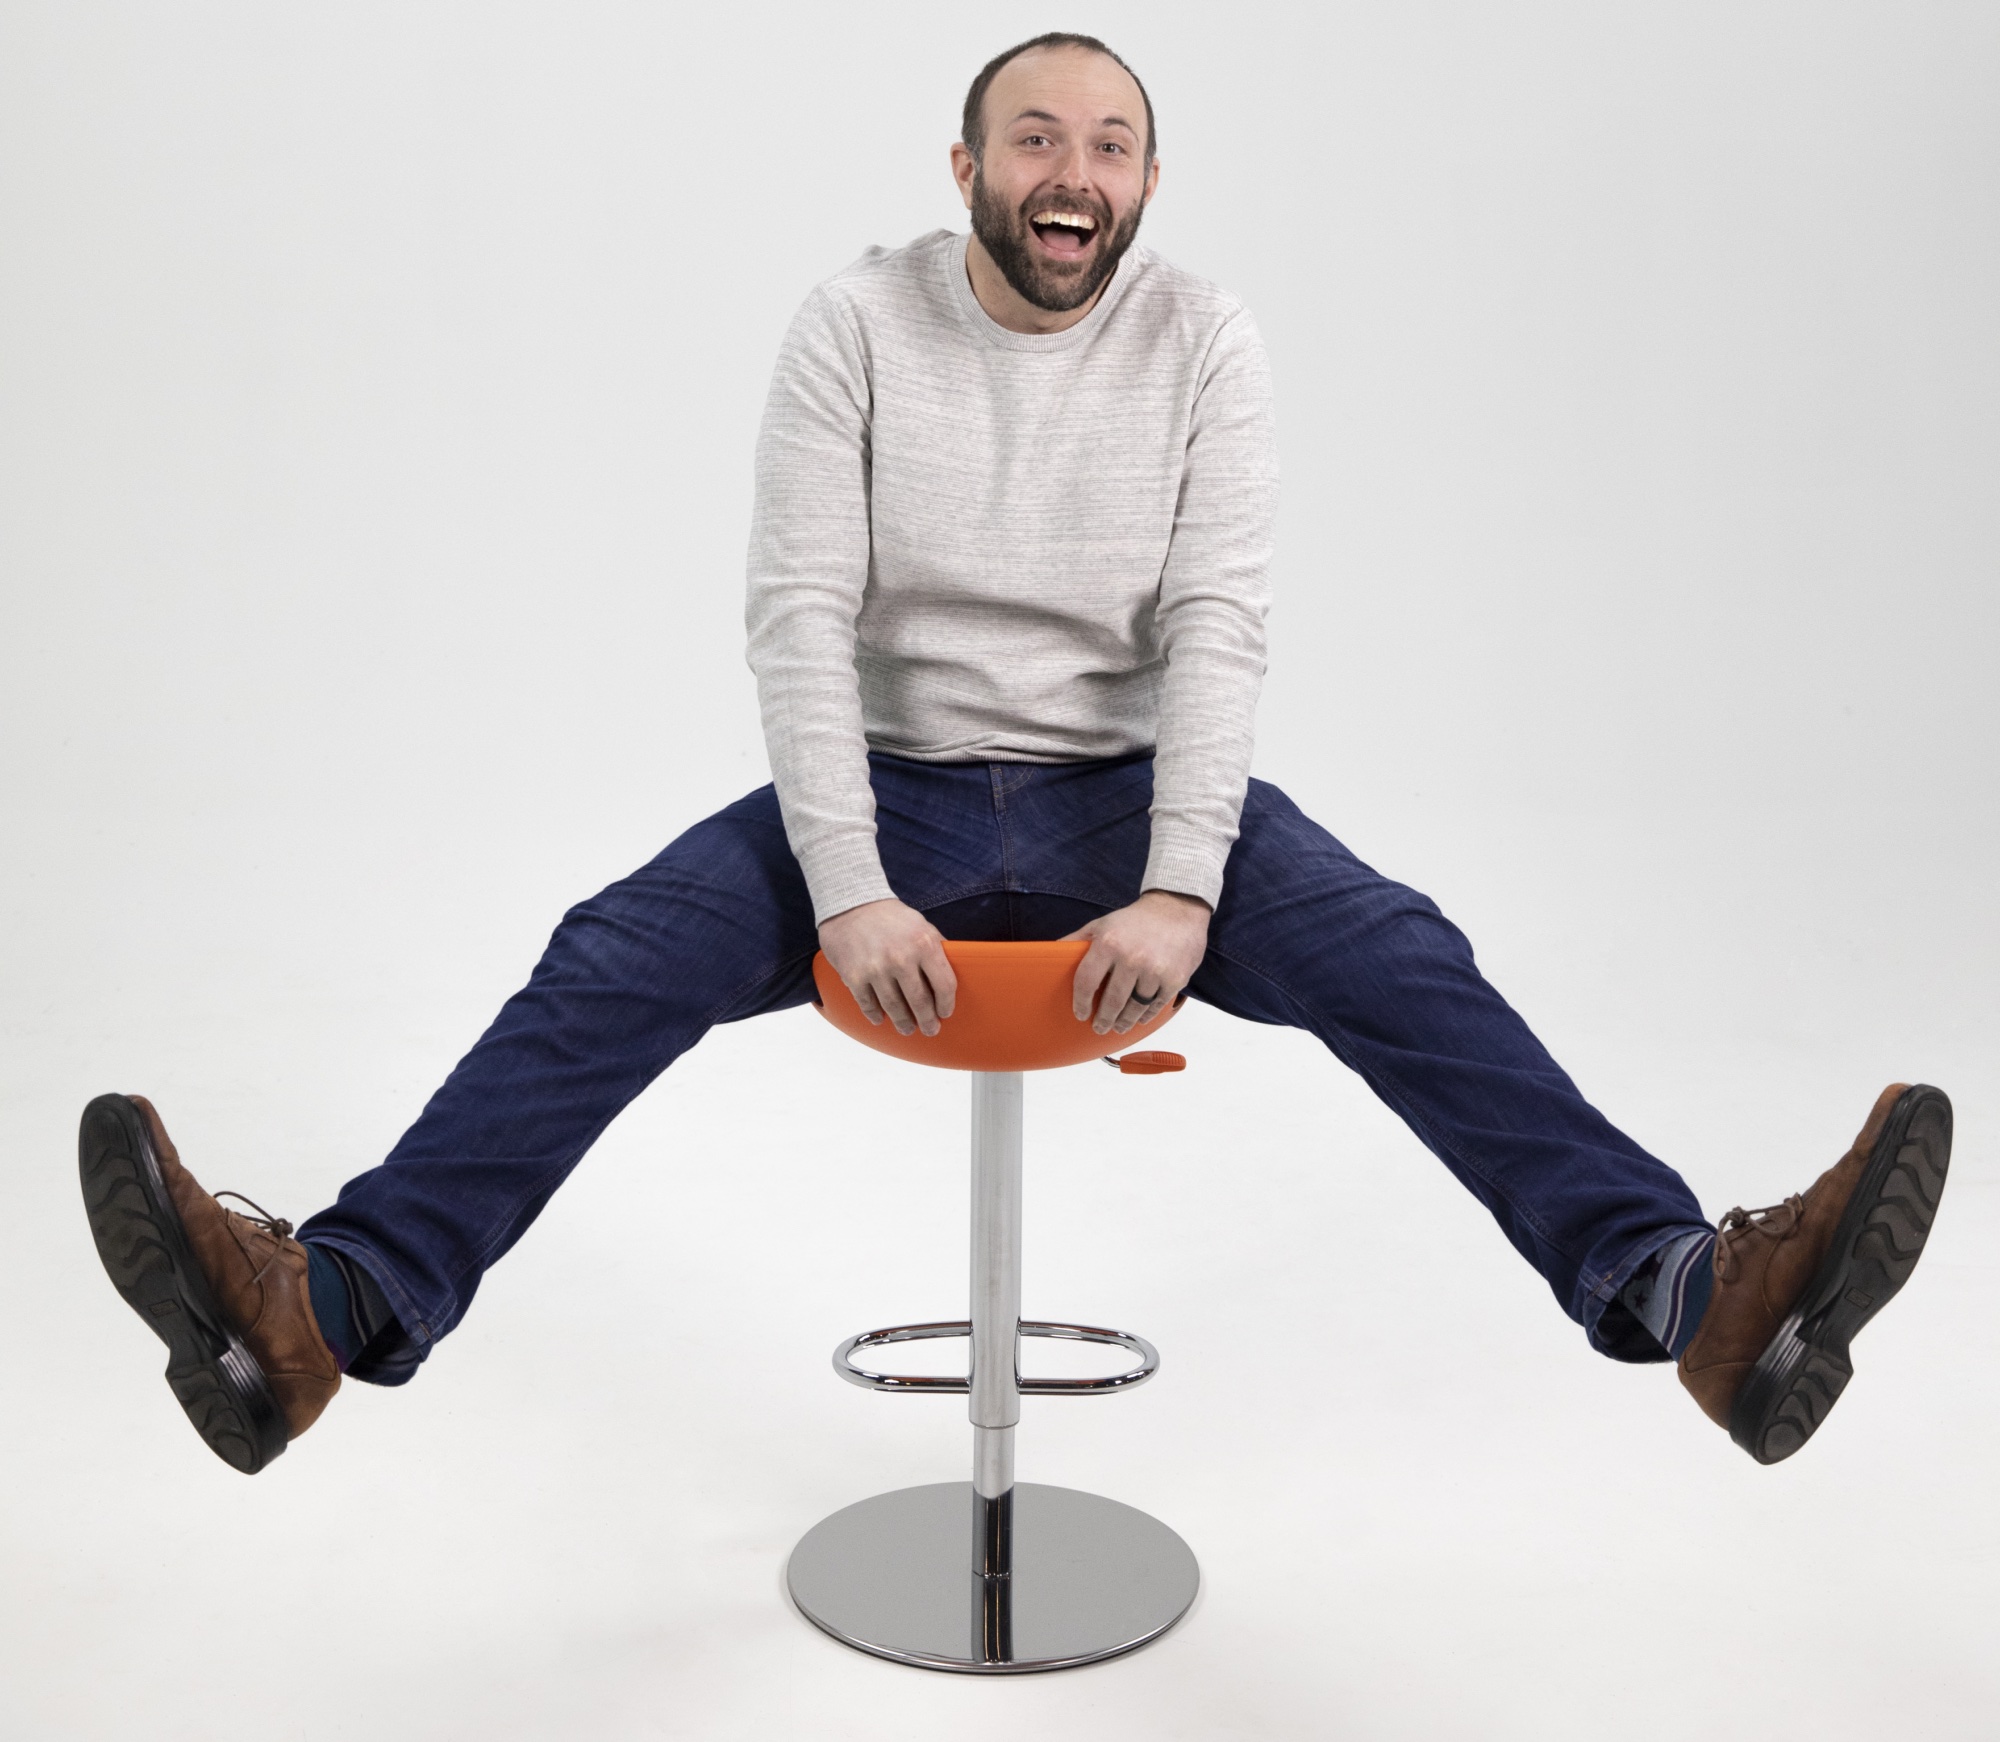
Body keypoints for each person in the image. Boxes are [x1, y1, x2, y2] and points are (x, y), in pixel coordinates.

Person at [79, 32, 1951, 1480]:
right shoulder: (854, 323)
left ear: (1148, 184)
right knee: (612, 953)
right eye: (1038, 141)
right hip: (885, 782)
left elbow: (1217, 624)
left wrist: (1184, 885)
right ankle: (320, 1313)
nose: (1077, 175)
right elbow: (798, 617)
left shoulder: (1205, 337)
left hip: (1124, 792)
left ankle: (1693, 1297)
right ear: (968, 168)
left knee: (1399, 950)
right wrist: (849, 886)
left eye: (1112, 146)